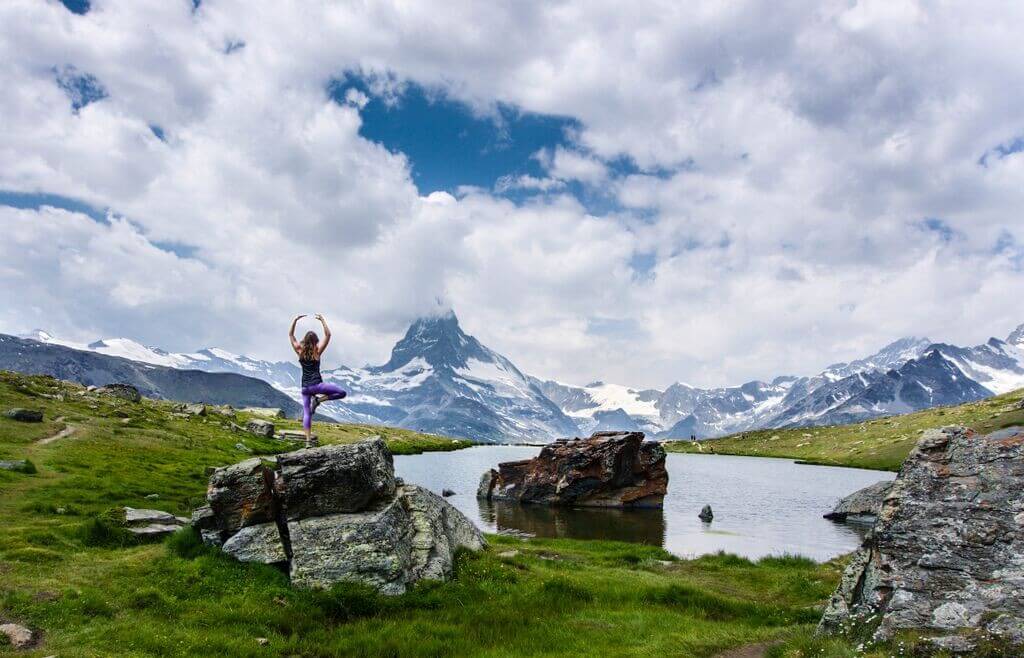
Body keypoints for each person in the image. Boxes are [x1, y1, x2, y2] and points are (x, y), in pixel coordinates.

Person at [289, 313, 346, 447]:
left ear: (305, 340)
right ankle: (318, 400)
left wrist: (295, 320)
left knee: (307, 414)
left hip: (305, 388)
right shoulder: (317, 352)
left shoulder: (299, 351)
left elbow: (291, 335)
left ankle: (308, 442)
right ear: (315, 341)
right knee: (341, 393)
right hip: (317, 386)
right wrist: (322, 320)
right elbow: (328, 335)